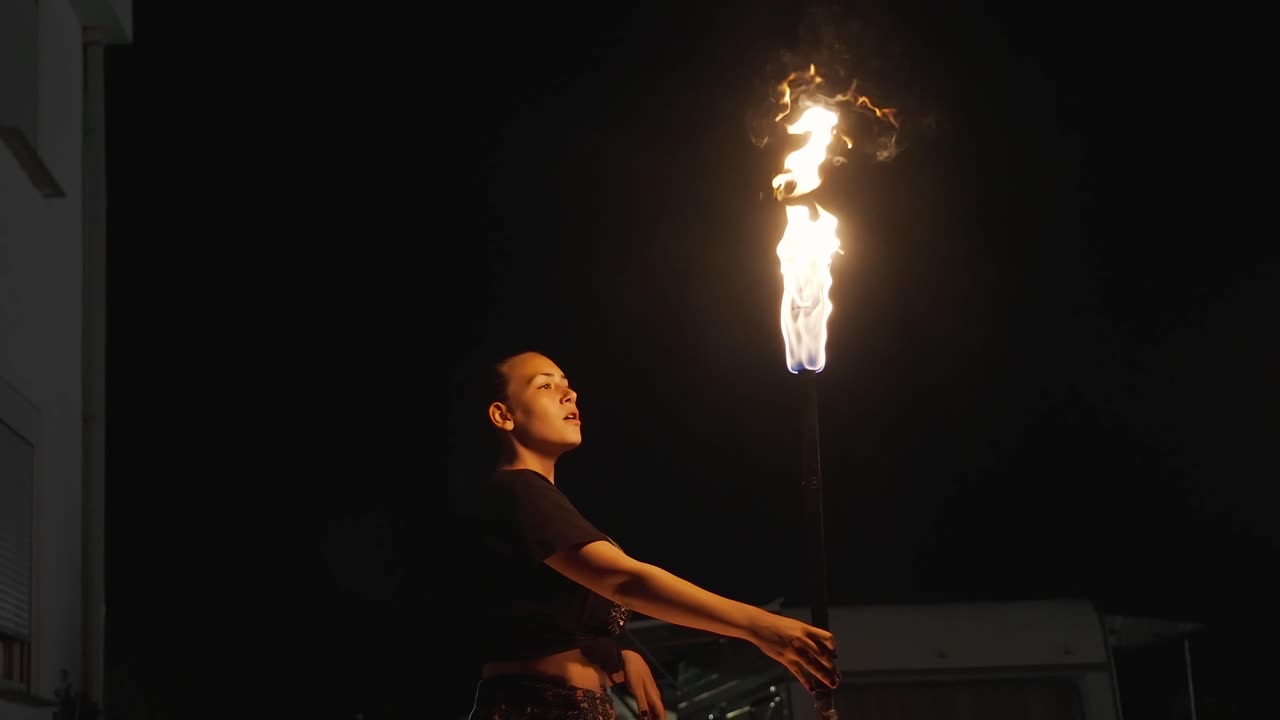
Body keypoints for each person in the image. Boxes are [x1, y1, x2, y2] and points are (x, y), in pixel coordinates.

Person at [451, 350, 842, 720]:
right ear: (503, 415)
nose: (569, 393)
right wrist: (759, 626)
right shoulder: (516, 492)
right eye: (545, 385)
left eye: (567, 384)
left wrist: (616, 657)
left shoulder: (532, 500)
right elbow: (625, 580)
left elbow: (538, 623)